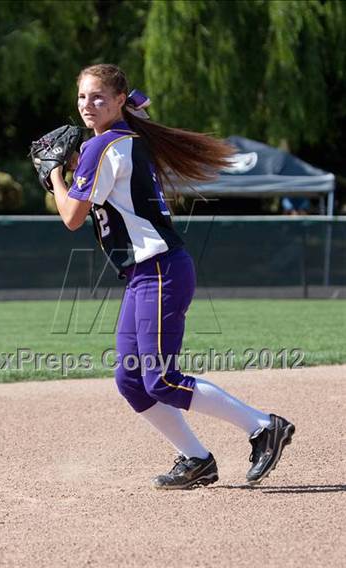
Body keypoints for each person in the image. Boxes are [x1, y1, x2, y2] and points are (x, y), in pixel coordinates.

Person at [50, 63, 295, 490]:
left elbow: (72, 216)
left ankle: (263, 427)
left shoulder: (107, 145)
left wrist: (53, 173)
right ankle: (197, 459)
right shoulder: (120, 141)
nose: (87, 105)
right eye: (82, 97)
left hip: (159, 269)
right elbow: (102, 193)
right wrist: (72, 165)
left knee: (160, 378)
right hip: (146, 274)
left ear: (120, 101)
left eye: (98, 97)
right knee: (131, 380)